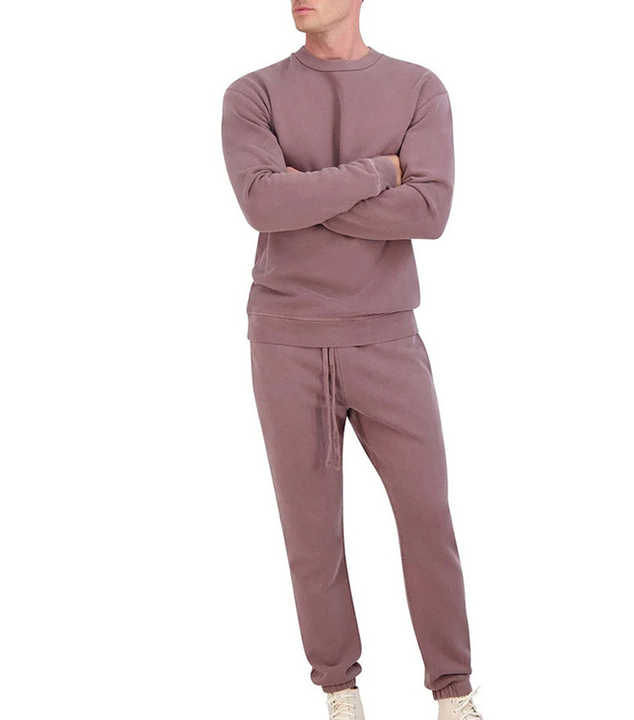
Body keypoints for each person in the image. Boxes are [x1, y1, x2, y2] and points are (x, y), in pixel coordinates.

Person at [221, 1, 482, 718]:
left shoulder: (419, 88)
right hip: (286, 339)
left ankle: (453, 691)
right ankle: (340, 690)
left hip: (387, 336)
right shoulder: (253, 93)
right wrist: (379, 172)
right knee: (311, 531)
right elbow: (261, 205)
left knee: (427, 518)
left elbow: (428, 212)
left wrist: (304, 194)